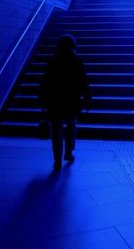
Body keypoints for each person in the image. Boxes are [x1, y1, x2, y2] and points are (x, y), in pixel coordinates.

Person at [39, 34, 92, 170]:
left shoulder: (52, 61)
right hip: (72, 99)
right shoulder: (77, 60)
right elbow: (83, 81)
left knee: (56, 130)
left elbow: (45, 82)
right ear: (73, 45)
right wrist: (87, 98)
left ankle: (57, 160)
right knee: (71, 125)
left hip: (55, 100)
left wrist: (43, 100)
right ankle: (68, 152)